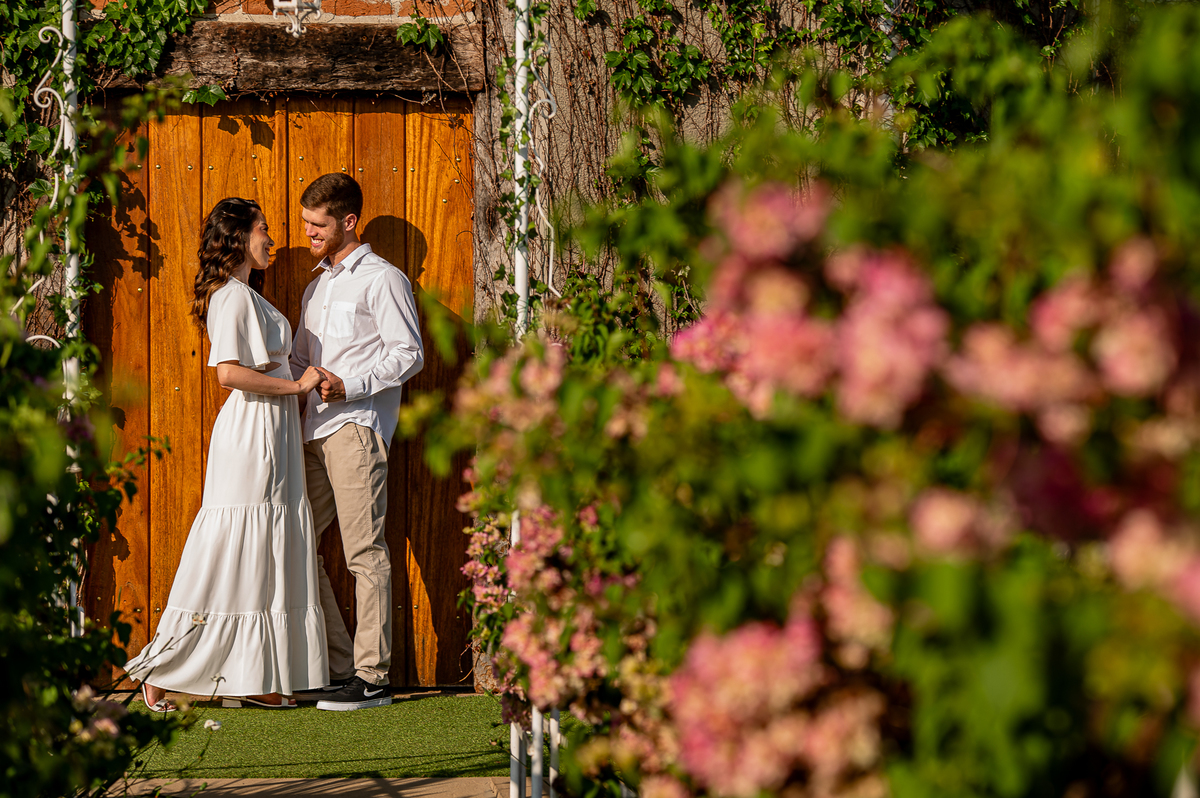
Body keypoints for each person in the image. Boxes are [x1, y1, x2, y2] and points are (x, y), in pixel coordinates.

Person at [124, 197, 329, 711]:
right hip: (253, 431)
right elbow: (228, 374)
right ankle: (161, 668)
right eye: (264, 229)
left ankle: (254, 674)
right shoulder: (231, 297)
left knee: (264, 550)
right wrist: (298, 386)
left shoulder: (245, 293)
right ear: (238, 236)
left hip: (273, 429)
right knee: (234, 547)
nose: (272, 238)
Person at [289, 173, 424, 711]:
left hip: (357, 428)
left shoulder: (383, 279)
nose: (309, 233)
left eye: (317, 225)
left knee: (364, 552)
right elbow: (300, 360)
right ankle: (342, 666)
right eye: (304, 223)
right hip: (311, 431)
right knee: (298, 542)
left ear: (349, 221)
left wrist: (353, 384)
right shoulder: (315, 285)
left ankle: (373, 680)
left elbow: (408, 352)